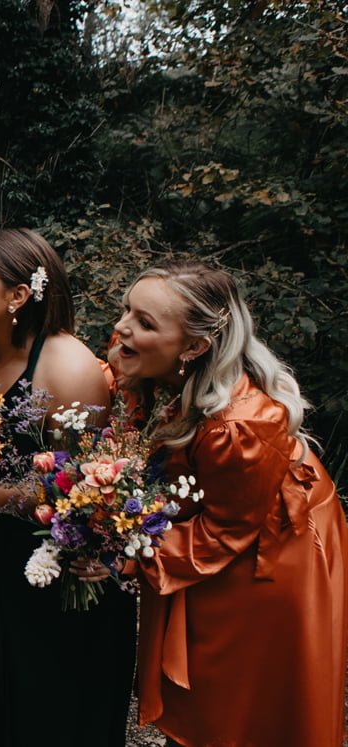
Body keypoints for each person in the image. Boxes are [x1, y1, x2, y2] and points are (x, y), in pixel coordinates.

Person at [99, 262, 348, 746]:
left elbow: (223, 531)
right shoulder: (150, 360)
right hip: (223, 520)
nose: (123, 326)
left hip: (278, 549)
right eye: (127, 309)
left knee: (242, 698)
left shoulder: (239, 426)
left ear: (194, 347)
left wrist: (123, 553)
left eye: (145, 322)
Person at [0, 228, 136, 746]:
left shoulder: (67, 366)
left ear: (18, 295)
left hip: (54, 572)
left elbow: (83, 491)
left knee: (44, 715)